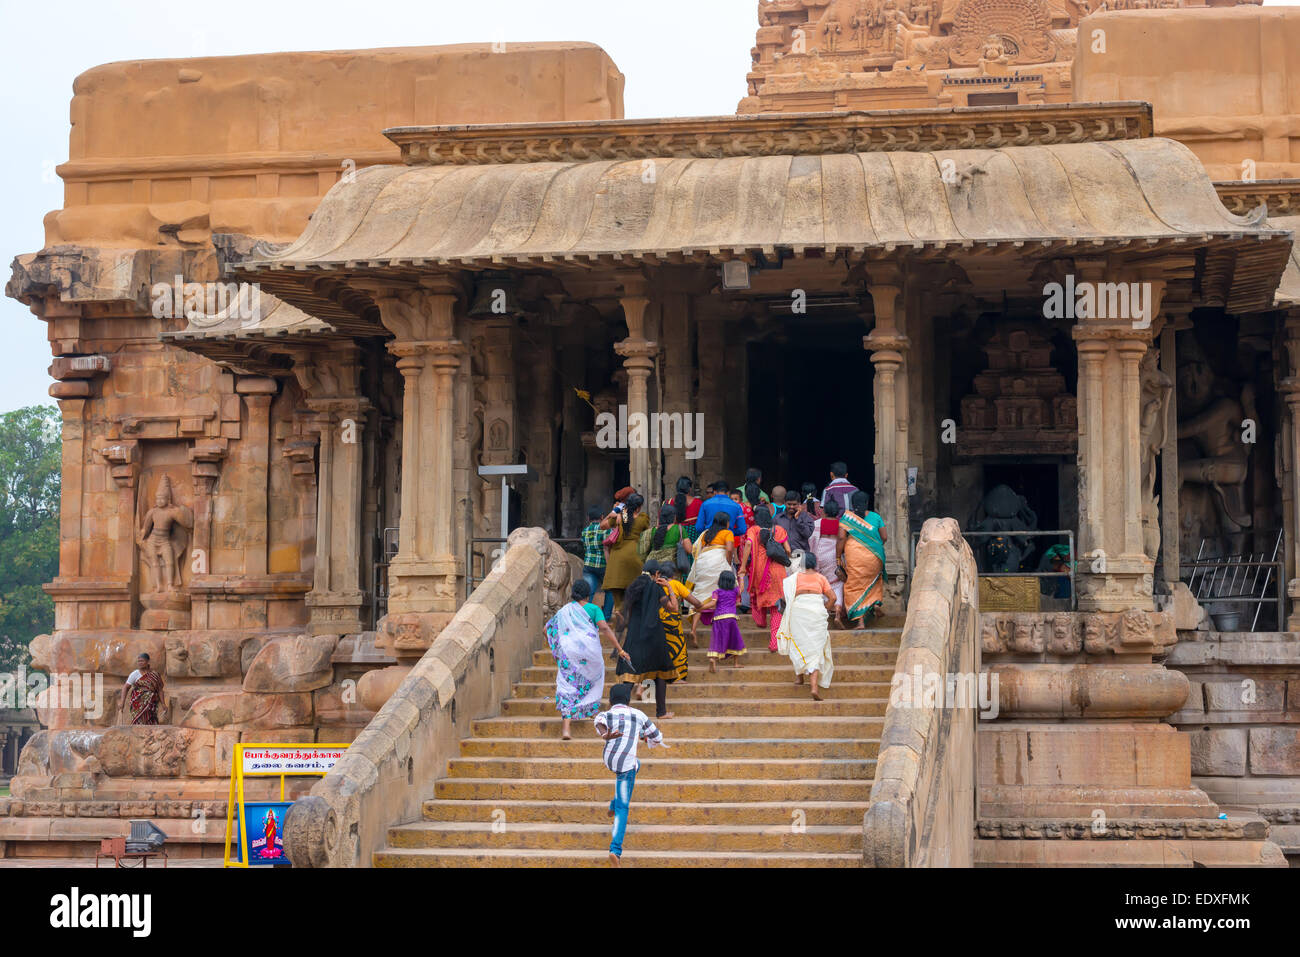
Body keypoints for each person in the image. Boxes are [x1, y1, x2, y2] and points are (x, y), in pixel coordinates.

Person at [595, 682, 669, 867]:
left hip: (610, 760)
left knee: (637, 765)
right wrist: (648, 737)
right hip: (625, 764)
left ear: (611, 701)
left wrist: (606, 735)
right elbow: (657, 737)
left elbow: (598, 721)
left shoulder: (608, 713)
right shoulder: (638, 714)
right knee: (623, 808)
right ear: (628, 701)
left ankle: (614, 803)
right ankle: (615, 850)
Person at [546, 580, 631, 740]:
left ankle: (566, 729)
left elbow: (547, 629)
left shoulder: (564, 611)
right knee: (593, 681)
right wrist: (620, 649)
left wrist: (557, 650)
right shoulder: (593, 609)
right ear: (587, 594)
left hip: (569, 653)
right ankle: (590, 711)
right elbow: (604, 628)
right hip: (589, 653)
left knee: (567, 685)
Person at [613, 567, 677, 719]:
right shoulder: (656, 588)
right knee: (660, 672)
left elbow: (625, 617)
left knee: (629, 674)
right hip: (655, 635)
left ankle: (619, 711)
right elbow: (673, 608)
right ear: (656, 574)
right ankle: (661, 712)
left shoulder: (633, 588)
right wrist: (668, 587)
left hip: (634, 635)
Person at [776, 551, 838, 700]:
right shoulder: (821, 578)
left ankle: (799, 677)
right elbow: (833, 598)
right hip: (816, 612)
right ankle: (814, 686)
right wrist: (824, 609)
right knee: (815, 649)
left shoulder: (793, 579)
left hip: (799, 612)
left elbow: (784, 597)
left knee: (798, 643)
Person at [739, 505, 791, 650]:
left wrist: (743, 566)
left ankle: (761, 620)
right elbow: (787, 549)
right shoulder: (779, 530)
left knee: (758, 594)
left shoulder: (754, 530)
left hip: (760, 570)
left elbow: (748, 544)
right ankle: (774, 643)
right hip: (778, 570)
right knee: (777, 606)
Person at [837, 490, 888, 629]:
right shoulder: (876, 517)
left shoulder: (847, 518)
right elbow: (884, 537)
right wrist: (874, 546)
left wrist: (837, 556)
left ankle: (860, 622)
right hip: (874, 557)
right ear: (867, 503)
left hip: (854, 556)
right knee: (874, 580)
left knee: (854, 586)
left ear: (852, 504)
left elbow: (841, 538)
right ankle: (876, 603)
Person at [647, 559, 701, 683]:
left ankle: (653, 677)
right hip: (672, 623)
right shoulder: (676, 584)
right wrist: (703, 606)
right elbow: (695, 602)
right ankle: (677, 677)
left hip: (655, 621)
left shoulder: (654, 584)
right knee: (678, 648)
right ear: (673, 574)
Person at [687, 512, 736, 644]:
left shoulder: (706, 533)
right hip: (718, 562)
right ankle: (718, 635)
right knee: (718, 596)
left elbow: (696, 550)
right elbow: (730, 548)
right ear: (726, 523)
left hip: (703, 562)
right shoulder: (727, 533)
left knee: (701, 597)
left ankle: (693, 629)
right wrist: (728, 562)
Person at [601, 492, 649, 612]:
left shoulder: (620, 517)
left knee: (618, 602)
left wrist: (613, 513)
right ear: (638, 507)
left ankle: (619, 616)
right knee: (636, 595)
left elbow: (602, 525)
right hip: (635, 556)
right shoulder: (643, 518)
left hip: (617, 559)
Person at [700, 569, 745, 671]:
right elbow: (741, 588)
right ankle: (736, 663)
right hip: (732, 618)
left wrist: (700, 607)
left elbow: (712, 604)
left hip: (719, 618)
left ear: (720, 581)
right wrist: (741, 577)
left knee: (718, 639)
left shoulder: (717, 592)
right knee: (734, 639)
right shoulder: (734, 591)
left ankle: (713, 659)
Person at [809, 497, 844, 611]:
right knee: (837, 582)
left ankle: (823, 605)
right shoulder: (840, 524)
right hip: (834, 553)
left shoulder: (818, 523)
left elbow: (812, 539)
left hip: (820, 553)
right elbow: (842, 540)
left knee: (821, 580)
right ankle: (836, 608)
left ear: (825, 511)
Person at [581, 505, 614, 619]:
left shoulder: (585, 531)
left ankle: (584, 616)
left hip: (589, 565)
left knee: (587, 592)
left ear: (588, 518)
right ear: (602, 517)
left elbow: (585, 548)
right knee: (610, 590)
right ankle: (605, 617)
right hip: (604, 565)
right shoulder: (607, 530)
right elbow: (609, 548)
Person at [638, 504, 688, 573]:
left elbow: (641, 554)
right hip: (671, 572)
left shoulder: (649, 532)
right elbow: (689, 549)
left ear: (659, 517)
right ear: (674, 517)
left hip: (652, 570)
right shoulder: (679, 529)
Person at [120, 653, 164, 725]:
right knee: (138, 722)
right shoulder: (134, 674)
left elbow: (160, 689)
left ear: (148, 662)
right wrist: (122, 702)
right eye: (138, 661)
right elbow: (126, 687)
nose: (140, 663)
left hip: (151, 704)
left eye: (142, 661)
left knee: (151, 722)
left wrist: (163, 704)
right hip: (137, 704)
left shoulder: (155, 674)